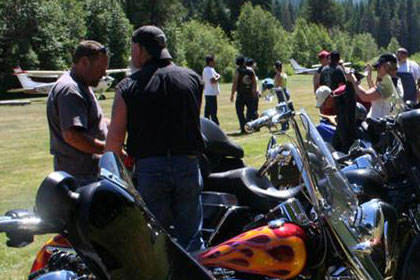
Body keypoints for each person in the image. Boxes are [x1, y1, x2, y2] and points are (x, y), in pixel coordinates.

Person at [105, 25, 204, 252]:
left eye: (132, 49)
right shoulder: (193, 79)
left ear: (140, 49)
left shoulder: (127, 87)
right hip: (188, 165)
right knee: (192, 239)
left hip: (150, 169)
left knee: (159, 241)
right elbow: (194, 121)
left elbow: (113, 143)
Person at [46, 40, 109, 186]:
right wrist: (109, 149)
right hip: (80, 179)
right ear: (85, 62)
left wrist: (120, 125)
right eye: (101, 68)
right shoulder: (70, 90)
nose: (104, 74)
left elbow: (93, 123)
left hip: (87, 174)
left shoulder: (81, 86)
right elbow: (73, 136)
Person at [346, 53, 404, 119]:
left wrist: (353, 80)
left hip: (379, 125)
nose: (377, 69)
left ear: (387, 66)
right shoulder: (396, 81)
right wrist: (369, 78)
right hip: (383, 122)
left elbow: (365, 96)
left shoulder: (387, 85)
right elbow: (377, 96)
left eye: (379, 66)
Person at [231, 55, 257, 134]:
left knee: (239, 111)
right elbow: (254, 82)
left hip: (241, 94)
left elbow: (235, 83)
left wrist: (232, 94)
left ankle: (243, 127)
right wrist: (254, 92)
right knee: (250, 111)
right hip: (249, 94)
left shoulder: (238, 71)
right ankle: (248, 126)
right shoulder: (250, 70)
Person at [202, 55, 221, 125]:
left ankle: (206, 125)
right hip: (210, 93)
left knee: (207, 112)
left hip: (210, 93)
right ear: (210, 62)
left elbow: (216, 75)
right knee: (213, 112)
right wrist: (219, 77)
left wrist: (218, 76)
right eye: (213, 61)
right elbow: (213, 81)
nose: (214, 63)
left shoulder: (211, 69)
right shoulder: (208, 70)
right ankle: (216, 125)